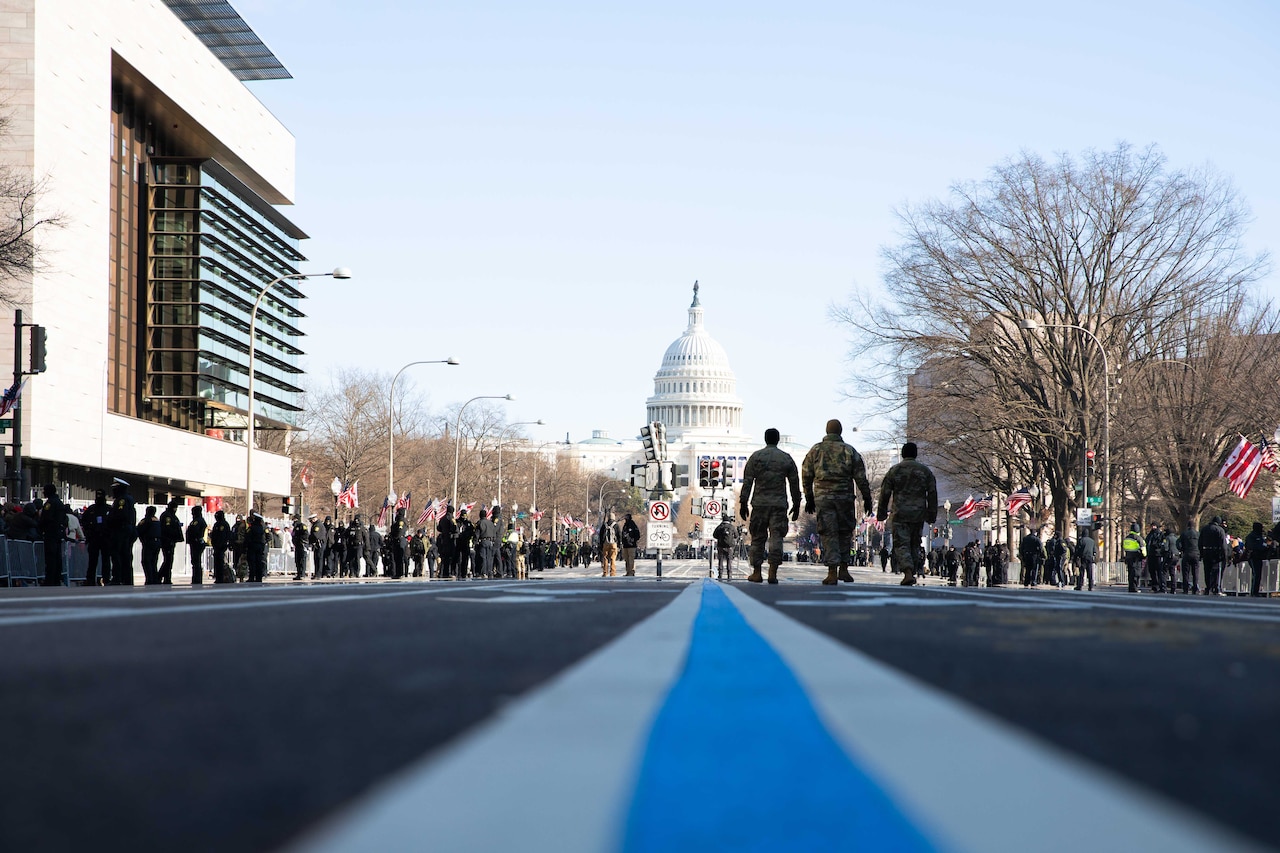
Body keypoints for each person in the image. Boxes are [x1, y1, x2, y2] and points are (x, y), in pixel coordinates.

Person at [803, 420, 874, 586]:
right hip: (845, 498)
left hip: (824, 498)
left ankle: (832, 572)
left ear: (827, 431)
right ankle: (844, 568)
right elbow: (861, 478)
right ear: (840, 431)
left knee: (829, 533)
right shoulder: (849, 451)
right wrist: (867, 499)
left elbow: (806, 474)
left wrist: (809, 497)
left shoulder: (816, 450)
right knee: (844, 532)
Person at [740, 427, 803, 584]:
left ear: (765, 439)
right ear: (777, 439)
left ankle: (756, 572)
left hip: (760, 504)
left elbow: (747, 482)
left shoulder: (756, 457)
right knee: (777, 538)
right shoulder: (785, 458)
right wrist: (796, 503)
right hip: (779, 505)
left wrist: (743, 502)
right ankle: (772, 572)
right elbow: (794, 483)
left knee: (757, 538)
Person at [874, 441, 937, 587]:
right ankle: (912, 572)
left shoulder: (895, 470)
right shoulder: (925, 471)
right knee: (914, 544)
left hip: (900, 513)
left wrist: (881, 513)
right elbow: (932, 494)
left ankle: (908, 572)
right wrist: (931, 514)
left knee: (902, 544)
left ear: (902, 454)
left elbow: (885, 493)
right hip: (918, 514)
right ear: (915, 454)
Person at [107, 478, 137, 585]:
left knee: (118, 555)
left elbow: (120, 516)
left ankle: (117, 578)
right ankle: (126, 579)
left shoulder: (122, 500)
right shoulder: (128, 499)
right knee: (126, 555)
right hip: (126, 530)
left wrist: (110, 520)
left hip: (120, 531)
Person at [38, 483, 68, 586]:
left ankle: (50, 579)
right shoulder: (59, 503)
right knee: (57, 557)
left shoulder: (49, 503)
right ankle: (56, 579)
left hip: (50, 533)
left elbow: (46, 518)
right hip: (58, 533)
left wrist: (41, 527)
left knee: (50, 557)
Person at [82, 490, 111, 586]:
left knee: (106, 560)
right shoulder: (91, 509)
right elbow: (84, 522)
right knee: (92, 561)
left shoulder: (108, 509)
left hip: (105, 538)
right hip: (93, 538)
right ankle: (90, 579)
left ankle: (106, 579)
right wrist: (88, 532)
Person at [158, 498, 183, 585]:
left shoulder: (171, 516)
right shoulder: (167, 516)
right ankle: (160, 576)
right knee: (168, 560)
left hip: (171, 541)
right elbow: (167, 529)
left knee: (169, 560)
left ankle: (166, 577)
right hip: (167, 541)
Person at [138, 505, 163, 585]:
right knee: (153, 561)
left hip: (149, 542)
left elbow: (139, 530)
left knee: (146, 561)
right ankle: (155, 578)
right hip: (157, 542)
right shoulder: (157, 521)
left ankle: (149, 579)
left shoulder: (146, 521)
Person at [1244, 521, 1269, 597]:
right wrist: (1264, 546)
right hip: (1254, 557)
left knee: (1258, 575)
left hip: (1259, 557)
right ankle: (1254, 592)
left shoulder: (1259, 535)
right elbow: (1254, 546)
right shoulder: (1252, 536)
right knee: (1256, 574)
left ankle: (1255, 590)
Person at [1121, 522, 1147, 594]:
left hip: (1129, 557)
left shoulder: (1127, 538)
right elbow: (1143, 548)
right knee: (1136, 573)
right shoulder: (1138, 538)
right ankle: (1135, 588)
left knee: (1130, 573)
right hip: (1136, 558)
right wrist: (1144, 556)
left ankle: (1131, 587)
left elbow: (1124, 547)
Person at [475, 507, 499, 579]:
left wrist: (475, 541)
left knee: (483, 557)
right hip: (491, 541)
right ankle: (489, 572)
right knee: (489, 558)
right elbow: (494, 532)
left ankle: (483, 572)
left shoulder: (480, 523)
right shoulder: (491, 523)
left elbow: (477, 534)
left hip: (483, 541)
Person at [1178, 519, 1201, 594]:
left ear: (1187, 526)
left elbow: (1178, 543)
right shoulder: (1198, 534)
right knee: (1195, 572)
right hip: (1196, 554)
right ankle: (1195, 588)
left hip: (1187, 553)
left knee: (1186, 572)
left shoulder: (1184, 533)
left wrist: (1181, 549)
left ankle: (1185, 589)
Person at [186, 505, 208, 585]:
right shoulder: (196, 521)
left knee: (196, 561)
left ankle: (197, 579)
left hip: (197, 543)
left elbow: (195, 531)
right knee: (195, 561)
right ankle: (195, 578)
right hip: (194, 542)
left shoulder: (198, 521)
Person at [210, 509, 232, 583]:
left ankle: (222, 577)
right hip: (216, 547)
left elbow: (227, 535)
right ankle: (218, 577)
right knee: (217, 563)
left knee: (221, 563)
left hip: (222, 547)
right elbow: (213, 535)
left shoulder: (224, 524)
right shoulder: (216, 524)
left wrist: (226, 544)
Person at [436, 508, 457, 579]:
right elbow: (455, 528)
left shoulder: (442, 518)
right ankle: (449, 572)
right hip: (450, 539)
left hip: (443, 539)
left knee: (443, 557)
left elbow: (438, 528)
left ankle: (442, 572)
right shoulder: (451, 518)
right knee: (450, 557)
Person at [390, 508, 410, 580]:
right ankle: (398, 572)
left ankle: (400, 573)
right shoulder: (398, 520)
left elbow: (400, 530)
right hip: (397, 540)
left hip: (399, 540)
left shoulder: (401, 521)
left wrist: (397, 537)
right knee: (396, 557)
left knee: (399, 557)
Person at [598, 510, 620, 577]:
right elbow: (619, 535)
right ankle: (612, 573)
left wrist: (601, 544)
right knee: (613, 558)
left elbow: (601, 535)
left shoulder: (604, 525)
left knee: (605, 558)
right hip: (613, 544)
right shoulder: (616, 525)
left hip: (606, 543)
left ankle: (605, 572)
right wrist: (619, 544)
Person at [620, 512, 641, 576]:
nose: (625, 518)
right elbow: (622, 535)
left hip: (632, 545)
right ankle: (628, 572)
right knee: (626, 559)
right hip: (625, 545)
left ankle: (632, 572)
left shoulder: (633, 525)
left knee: (631, 559)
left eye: (626, 517)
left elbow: (637, 534)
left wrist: (633, 540)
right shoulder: (625, 525)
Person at [291, 516, 308, 580]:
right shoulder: (295, 527)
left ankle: (302, 574)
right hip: (297, 545)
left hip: (302, 545)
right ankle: (298, 573)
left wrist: (301, 540)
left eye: (295, 519)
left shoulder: (302, 526)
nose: (294, 521)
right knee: (297, 560)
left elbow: (305, 534)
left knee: (302, 560)